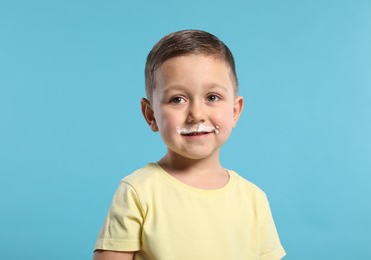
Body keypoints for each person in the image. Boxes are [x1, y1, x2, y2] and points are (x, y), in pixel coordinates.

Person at [93, 29, 286, 260]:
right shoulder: (138, 191)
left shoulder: (253, 199)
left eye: (212, 97)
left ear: (234, 112)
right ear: (150, 115)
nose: (196, 114)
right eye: (177, 99)